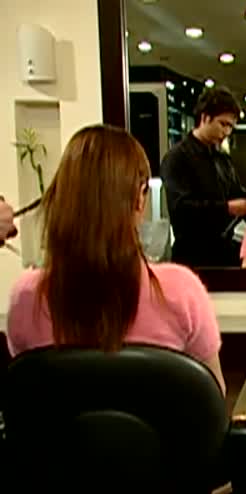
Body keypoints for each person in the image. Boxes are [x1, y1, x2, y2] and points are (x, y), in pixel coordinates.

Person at [5, 125, 227, 402]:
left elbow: (25, 395)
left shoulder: (27, 297)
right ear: (139, 198)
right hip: (161, 433)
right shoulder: (181, 291)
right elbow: (213, 399)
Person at [160, 86, 246, 267]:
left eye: (231, 127)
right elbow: (181, 211)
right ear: (205, 118)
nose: (227, 132)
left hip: (224, 254)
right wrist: (228, 209)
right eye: (223, 124)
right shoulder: (177, 157)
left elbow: (236, 193)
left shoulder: (222, 159)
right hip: (191, 257)